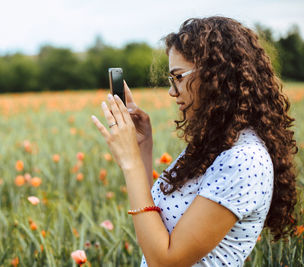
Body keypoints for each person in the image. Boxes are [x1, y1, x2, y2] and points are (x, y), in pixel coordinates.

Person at [91, 16, 298, 267]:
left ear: (216, 75)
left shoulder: (244, 159)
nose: (172, 91)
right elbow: (150, 234)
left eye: (178, 77)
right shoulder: (214, 145)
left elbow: (165, 261)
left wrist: (131, 164)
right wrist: (142, 149)